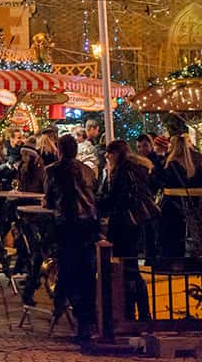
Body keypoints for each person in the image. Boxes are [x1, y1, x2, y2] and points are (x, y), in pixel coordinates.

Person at [44, 134, 99, 344]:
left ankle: (64, 306)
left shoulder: (53, 170)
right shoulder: (87, 170)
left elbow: (50, 200)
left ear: (59, 150)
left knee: (68, 270)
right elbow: (93, 195)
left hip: (67, 225)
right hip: (89, 225)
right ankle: (86, 320)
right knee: (86, 273)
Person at [97, 140, 153, 321]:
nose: (107, 156)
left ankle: (131, 314)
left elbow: (116, 200)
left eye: (109, 153)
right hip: (135, 225)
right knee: (132, 268)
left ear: (117, 153)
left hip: (124, 226)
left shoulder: (123, 173)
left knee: (127, 269)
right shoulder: (137, 169)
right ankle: (142, 313)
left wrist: (96, 203)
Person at [158, 133, 202, 257]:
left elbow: (162, 181)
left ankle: (172, 261)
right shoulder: (194, 164)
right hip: (190, 204)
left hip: (172, 205)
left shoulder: (171, 164)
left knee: (170, 235)